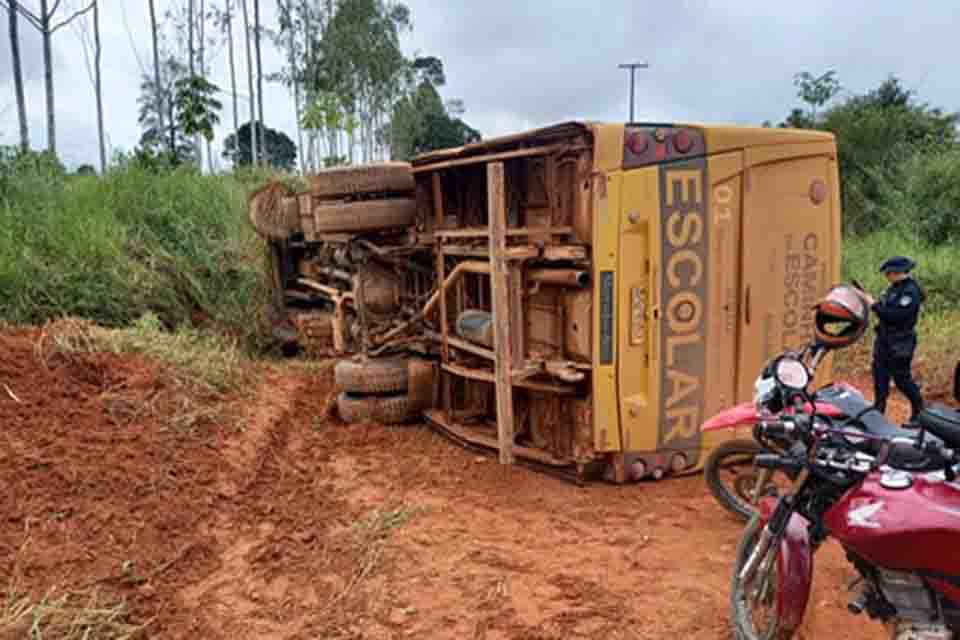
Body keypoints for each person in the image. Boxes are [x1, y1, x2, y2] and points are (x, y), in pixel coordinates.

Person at [860, 256, 925, 419]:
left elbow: (895, 316)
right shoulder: (893, 288)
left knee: (902, 379)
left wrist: (874, 305)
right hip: (884, 339)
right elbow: (884, 308)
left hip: (900, 342)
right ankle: (878, 410)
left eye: (888, 273)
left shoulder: (910, 291)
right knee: (879, 375)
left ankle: (919, 411)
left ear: (898, 272)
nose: (887, 277)